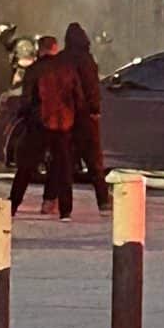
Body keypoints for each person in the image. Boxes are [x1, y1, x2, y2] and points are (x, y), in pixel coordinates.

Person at [8, 36, 83, 221]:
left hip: (39, 123)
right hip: (63, 123)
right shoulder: (67, 69)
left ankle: (13, 204)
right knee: (63, 167)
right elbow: (78, 97)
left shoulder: (35, 70)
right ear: (55, 48)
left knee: (26, 166)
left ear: (40, 49)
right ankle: (65, 210)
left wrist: (23, 117)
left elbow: (27, 99)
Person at [63, 22, 111, 214]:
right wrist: (94, 110)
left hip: (66, 117)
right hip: (85, 118)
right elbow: (92, 88)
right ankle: (103, 201)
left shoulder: (63, 59)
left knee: (64, 163)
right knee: (94, 163)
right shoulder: (87, 60)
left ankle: (58, 205)